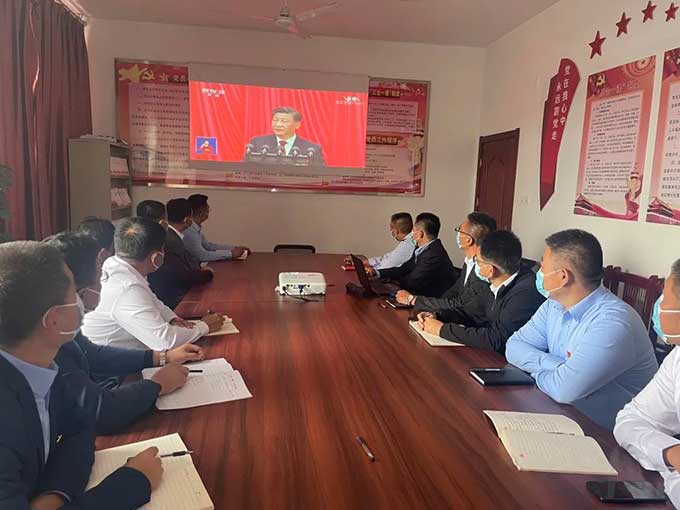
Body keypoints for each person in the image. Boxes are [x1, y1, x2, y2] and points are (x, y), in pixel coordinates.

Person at [0, 241, 161, 509]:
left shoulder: (40, 362)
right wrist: (135, 481)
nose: (80, 298)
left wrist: (54, 495)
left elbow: (80, 430)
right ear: (54, 320)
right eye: (74, 291)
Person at [47, 231, 202, 434]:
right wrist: (157, 385)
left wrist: (163, 357)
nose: (103, 285)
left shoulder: (62, 320)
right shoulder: (46, 337)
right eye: (100, 278)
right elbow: (99, 411)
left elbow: (91, 354)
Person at [506, 229, 658, 430]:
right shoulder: (554, 305)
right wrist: (558, 366)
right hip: (565, 415)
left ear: (563, 276)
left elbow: (563, 390)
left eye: (543, 267)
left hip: (614, 435)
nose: (538, 272)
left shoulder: (613, 322)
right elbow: (513, 346)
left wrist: (533, 372)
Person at [82, 217, 224, 350]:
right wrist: (204, 326)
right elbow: (165, 341)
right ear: (156, 257)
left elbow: (151, 299)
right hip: (117, 363)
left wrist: (172, 319)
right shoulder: (126, 287)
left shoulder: (116, 264)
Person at [614, 259, 680, 507]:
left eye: (665, 297)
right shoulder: (677, 359)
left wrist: (671, 475)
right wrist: (670, 453)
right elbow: (630, 420)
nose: (659, 306)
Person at [415, 230, 544, 353]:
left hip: (503, 360)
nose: (475, 265)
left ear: (490, 270)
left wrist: (442, 330)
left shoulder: (526, 293)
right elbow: (470, 311)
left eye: (477, 261)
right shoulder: (495, 283)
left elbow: (496, 339)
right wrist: (438, 316)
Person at [398, 211, 496, 310]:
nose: (457, 233)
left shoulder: (483, 270)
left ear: (468, 240)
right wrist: (434, 312)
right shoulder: (469, 261)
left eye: (459, 230)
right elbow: (453, 292)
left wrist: (413, 299)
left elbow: (461, 304)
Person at [371, 212, 457, 298]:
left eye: (413, 230)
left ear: (420, 234)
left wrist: (389, 280)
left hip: (433, 301)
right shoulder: (421, 248)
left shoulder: (433, 254)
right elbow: (404, 268)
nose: (411, 233)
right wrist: (378, 273)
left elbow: (412, 282)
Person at [148, 198, 214, 308]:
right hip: (174, 298)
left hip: (174, 291)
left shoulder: (173, 236)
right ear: (187, 220)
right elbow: (183, 276)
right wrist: (207, 273)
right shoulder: (171, 240)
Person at [244, 107, 326, 166]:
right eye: (275, 120)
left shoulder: (312, 149)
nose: (278, 124)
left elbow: (319, 175)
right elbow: (245, 169)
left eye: (284, 121)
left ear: (297, 125)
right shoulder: (257, 143)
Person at [184, 194, 249, 261]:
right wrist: (231, 254)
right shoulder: (190, 231)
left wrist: (234, 248)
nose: (208, 214)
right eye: (208, 210)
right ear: (201, 213)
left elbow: (208, 246)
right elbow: (203, 256)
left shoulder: (195, 228)